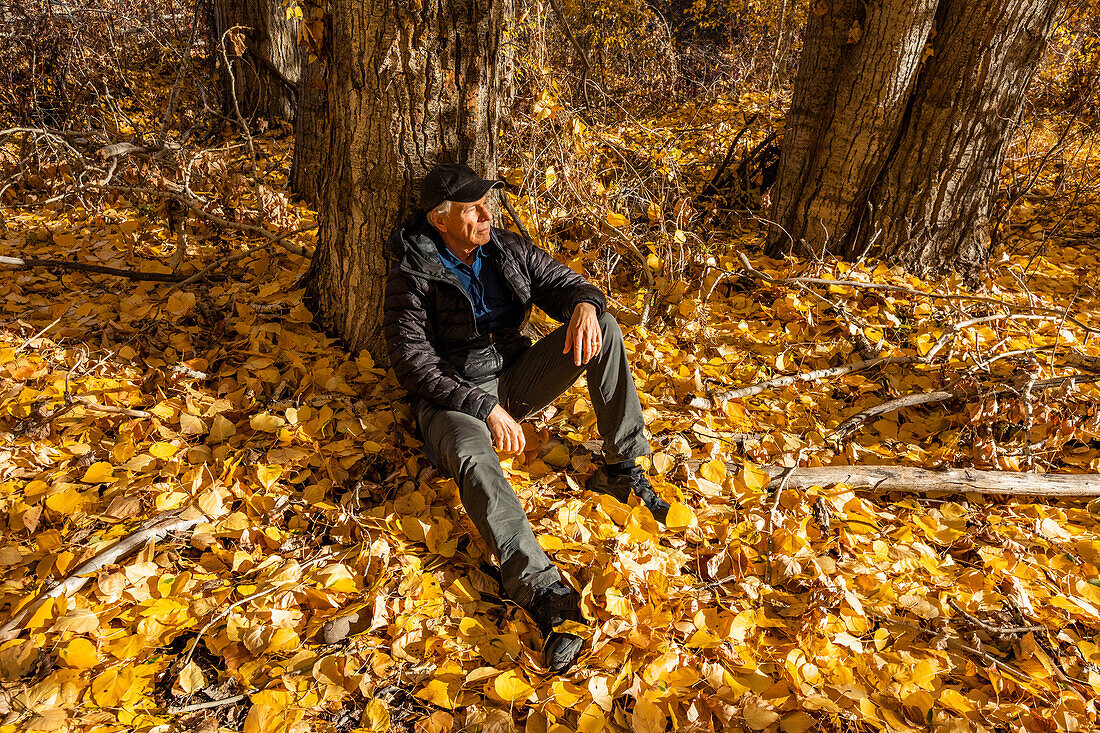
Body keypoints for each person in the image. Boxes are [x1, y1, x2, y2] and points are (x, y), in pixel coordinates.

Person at [322, 163, 669, 673]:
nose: (487, 214)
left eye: (488, 204)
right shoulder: (412, 272)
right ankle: (542, 591)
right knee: (471, 453)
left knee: (608, 328)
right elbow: (412, 362)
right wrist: (483, 407)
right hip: (451, 398)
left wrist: (586, 306)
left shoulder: (505, 249)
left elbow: (566, 283)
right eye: (473, 209)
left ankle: (624, 469)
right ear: (440, 220)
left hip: (514, 376)